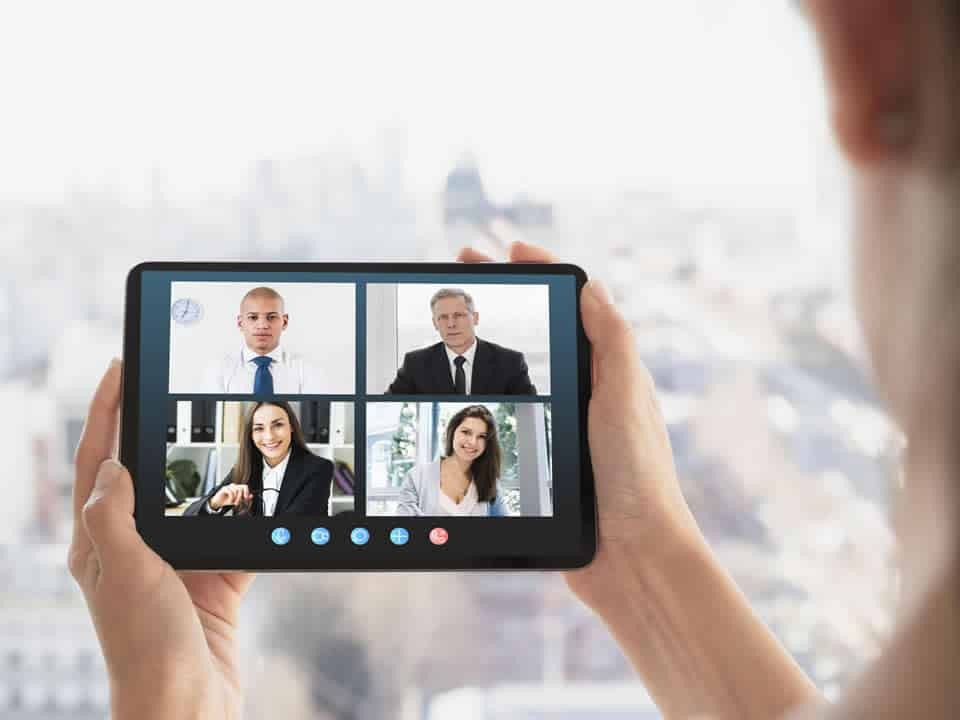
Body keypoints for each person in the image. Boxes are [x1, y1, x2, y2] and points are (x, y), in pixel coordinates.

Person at [68, 2, 958, 717]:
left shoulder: (441, 413)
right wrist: (642, 558)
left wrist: (170, 697)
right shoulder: (399, 384)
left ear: (868, 49)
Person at [182, 401, 333, 517]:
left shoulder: (319, 469)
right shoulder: (245, 469)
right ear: (251, 435)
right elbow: (189, 514)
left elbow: (291, 528)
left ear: (291, 427)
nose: (269, 436)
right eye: (259, 428)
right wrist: (214, 503)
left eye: (278, 425)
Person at [386, 287, 537, 395]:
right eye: (443, 317)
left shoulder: (510, 362)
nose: (451, 324)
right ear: (435, 323)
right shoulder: (415, 363)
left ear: (475, 318)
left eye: (459, 315)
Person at [394, 404, 513, 517]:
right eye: (466, 432)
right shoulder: (416, 477)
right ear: (452, 432)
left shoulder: (490, 483)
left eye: (482, 436)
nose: (472, 442)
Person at [202, 286, 321, 394]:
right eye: (253, 317)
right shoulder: (218, 369)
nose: (262, 325)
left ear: (284, 322)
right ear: (240, 322)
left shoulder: (306, 368)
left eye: (272, 317)